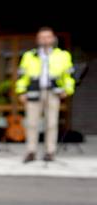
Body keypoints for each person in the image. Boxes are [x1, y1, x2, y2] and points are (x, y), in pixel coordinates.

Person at [16, 27, 75, 163]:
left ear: (53, 39)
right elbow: (21, 76)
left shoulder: (63, 56)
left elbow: (68, 76)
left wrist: (67, 89)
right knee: (31, 123)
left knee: (52, 123)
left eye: (48, 37)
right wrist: (21, 91)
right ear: (37, 40)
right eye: (42, 37)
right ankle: (31, 151)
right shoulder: (29, 56)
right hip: (33, 91)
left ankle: (50, 152)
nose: (45, 40)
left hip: (53, 92)